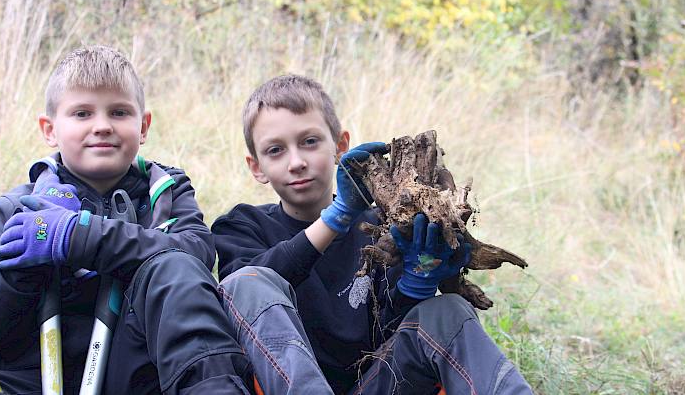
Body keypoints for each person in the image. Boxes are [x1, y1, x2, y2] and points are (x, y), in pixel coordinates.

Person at [0, 45, 254, 394]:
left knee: (175, 266)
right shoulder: (19, 206)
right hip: (32, 380)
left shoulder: (167, 191)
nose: (101, 126)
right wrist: (18, 267)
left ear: (143, 126)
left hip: (134, 376)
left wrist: (76, 236)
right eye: (82, 114)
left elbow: (196, 255)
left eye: (118, 113)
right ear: (50, 129)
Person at [212, 74, 533, 394]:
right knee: (246, 280)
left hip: (375, 385)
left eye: (310, 142)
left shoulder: (380, 225)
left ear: (340, 147)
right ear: (256, 167)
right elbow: (244, 301)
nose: (296, 162)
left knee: (448, 311)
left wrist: (417, 281)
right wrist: (337, 217)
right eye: (276, 150)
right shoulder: (241, 226)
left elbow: (391, 336)